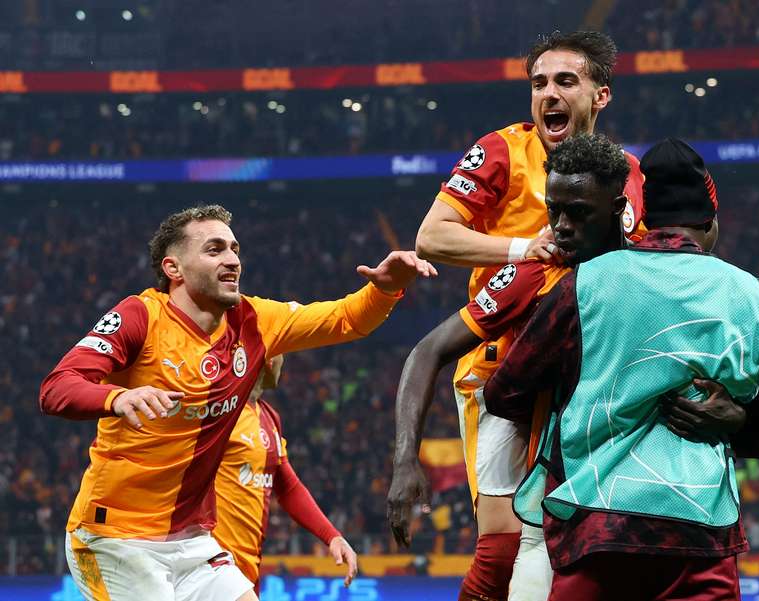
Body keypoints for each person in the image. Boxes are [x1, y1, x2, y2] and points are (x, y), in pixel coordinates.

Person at [391, 135, 749, 601]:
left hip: (659, 506)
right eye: (553, 211)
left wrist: (738, 417)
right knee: (499, 556)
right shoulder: (535, 273)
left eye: (576, 213)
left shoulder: (658, 274)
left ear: (617, 210)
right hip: (564, 501)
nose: (559, 228)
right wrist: (405, 460)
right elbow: (429, 352)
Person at [39, 204, 435, 601]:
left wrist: (384, 289)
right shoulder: (141, 316)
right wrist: (119, 396)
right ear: (174, 268)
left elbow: (345, 318)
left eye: (234, 249)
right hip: (116, 539)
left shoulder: (253, 319)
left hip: (193, 542)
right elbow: (57, 387)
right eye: (214, 250)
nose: (232, 260)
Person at [484, 138, 759, 600]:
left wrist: (578, 388)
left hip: (597, 530)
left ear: (643, 214)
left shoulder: (584, 283)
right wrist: (735, 420)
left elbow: (503, 393)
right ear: (710, 221)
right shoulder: (754, 297)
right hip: (700, 537)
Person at [413, 30, 645, 601]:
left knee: (580, 544)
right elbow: (432, 237)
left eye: (565, 81)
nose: (549, 94)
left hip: (589, 373)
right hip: (501, 364)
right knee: (502, 548)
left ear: (601, 95)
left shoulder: (629, 172)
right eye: (539, 83)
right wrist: (526, 249)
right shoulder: (500, 151)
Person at [213, 355, 357, 593]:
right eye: (282, 352)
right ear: (269, 360)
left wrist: (332, 536)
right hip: (213, 563)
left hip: (248, 566)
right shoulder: (218, 409)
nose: (284, 361)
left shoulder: (269, 416)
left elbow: (289, 488)